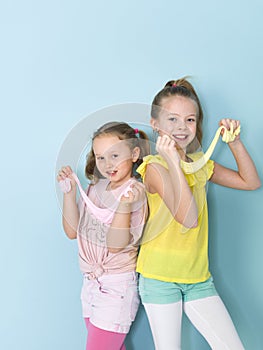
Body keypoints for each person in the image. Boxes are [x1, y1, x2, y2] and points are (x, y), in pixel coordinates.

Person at [136, 78, 261, 350]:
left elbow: (250, 182)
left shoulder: (200, 164)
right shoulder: (154, 168)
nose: (182, 127)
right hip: (159, 278)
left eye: (190, 120)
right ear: (155, 123)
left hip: (198, 279)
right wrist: (172, 160)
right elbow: (189, 218)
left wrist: (235, 143)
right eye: (173, 119)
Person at [57, 122, 149, 350]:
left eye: (115, 155)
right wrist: (69, 193)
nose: (108, 164)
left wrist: (124, 206)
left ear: (134, 153)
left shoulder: (134, 193)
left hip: (116, 287)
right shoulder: (95, 189)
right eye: (101, 158)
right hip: (90, 284)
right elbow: (71, 231)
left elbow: (116, 245)